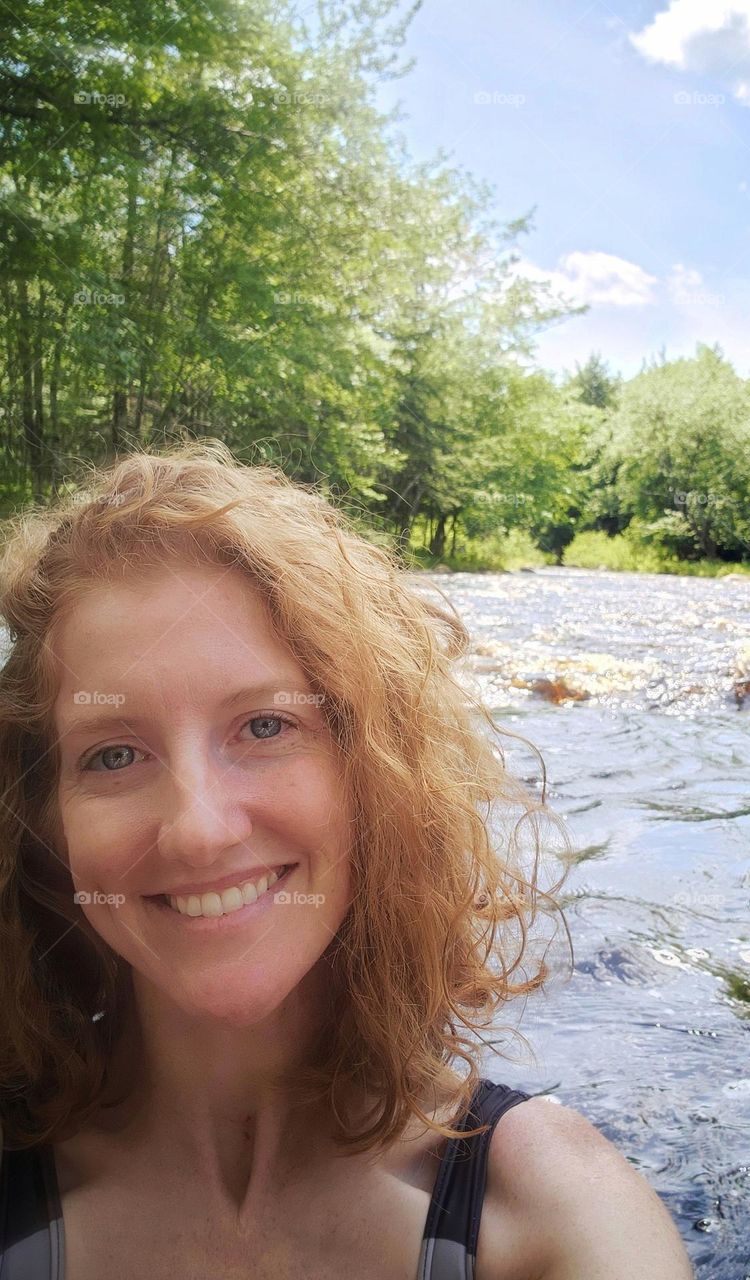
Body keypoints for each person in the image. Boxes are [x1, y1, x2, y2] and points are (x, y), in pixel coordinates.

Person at [0, 442, 694, 1279]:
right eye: (113, 756)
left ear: (376, 776)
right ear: (44, 822)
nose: (198, 831)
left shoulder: (548, 1215)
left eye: (264, 727)